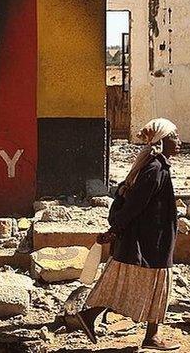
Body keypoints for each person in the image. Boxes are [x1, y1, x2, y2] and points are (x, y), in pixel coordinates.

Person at [76, 118, 181, 351]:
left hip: (150, 239)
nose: (179, 141)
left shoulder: (154, 167)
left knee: (145, 285)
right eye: (174, 137)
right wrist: (114, 231)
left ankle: (150, 334)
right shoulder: (155, 169)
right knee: (155, 284)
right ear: (162, 141)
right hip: (151, 241)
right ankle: (94, 316)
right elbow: (135, 205)